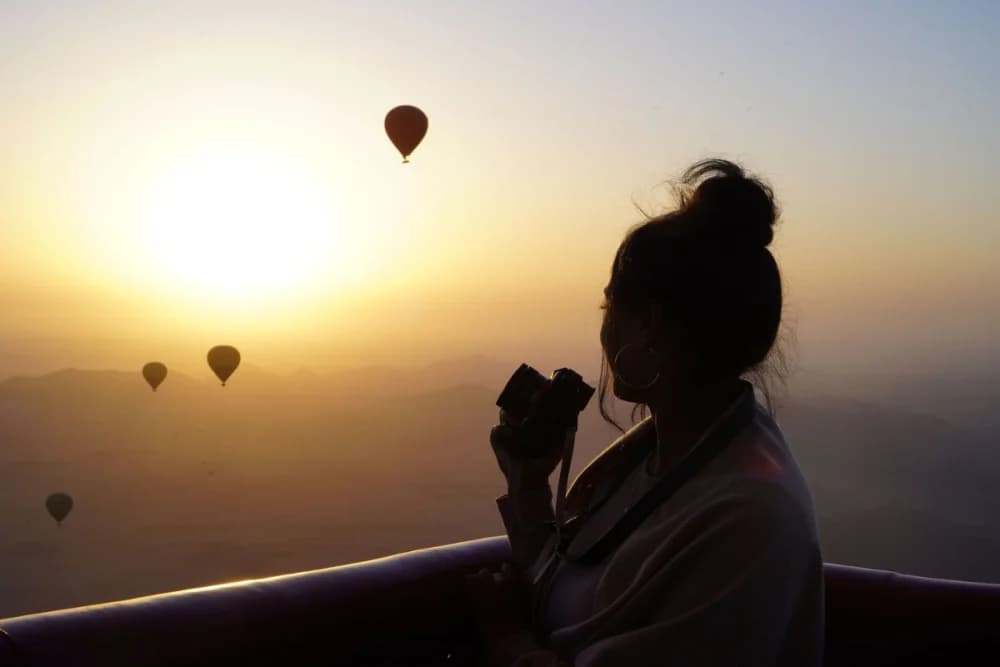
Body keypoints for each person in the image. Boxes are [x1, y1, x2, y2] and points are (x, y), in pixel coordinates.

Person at [466, 159, 824, 666]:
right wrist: (527, 484)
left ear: (650, 324)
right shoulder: (666, 456)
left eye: (609, 307)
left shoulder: (747, 518)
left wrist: (508, 640)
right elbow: (569, 586)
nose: (603, 331)